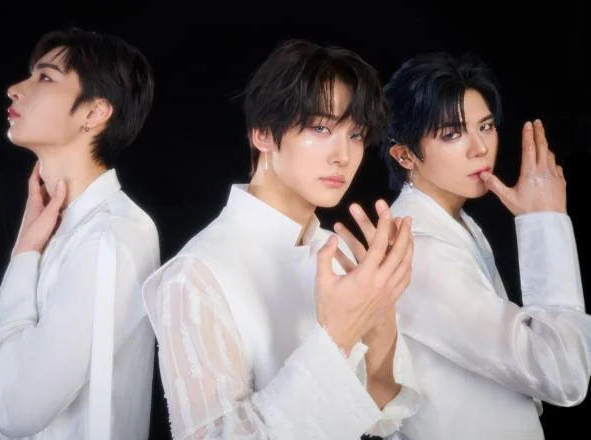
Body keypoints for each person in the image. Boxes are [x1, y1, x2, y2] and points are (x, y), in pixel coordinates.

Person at [142, 39, 419, 440]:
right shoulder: (195, 275)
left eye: (357, 134)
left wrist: (382, 332)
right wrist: (338, 337)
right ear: (262, 134)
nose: (343, 155)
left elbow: (383, 420)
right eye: (320, 128)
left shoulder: (342, 252)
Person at [371, 51, 591, 439]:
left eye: (485, 127)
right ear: (404, 154)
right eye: (452, 134)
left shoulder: (455, 222)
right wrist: (545, 223)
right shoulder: (420, 251)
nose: (479, 148)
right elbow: (562, 375)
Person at [0, 27, 159, 440]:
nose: (14, 89)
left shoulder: (113, 235)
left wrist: (24, 255)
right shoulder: (63, 225)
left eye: (45, 77)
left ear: (95, 113)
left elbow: (15, 409)